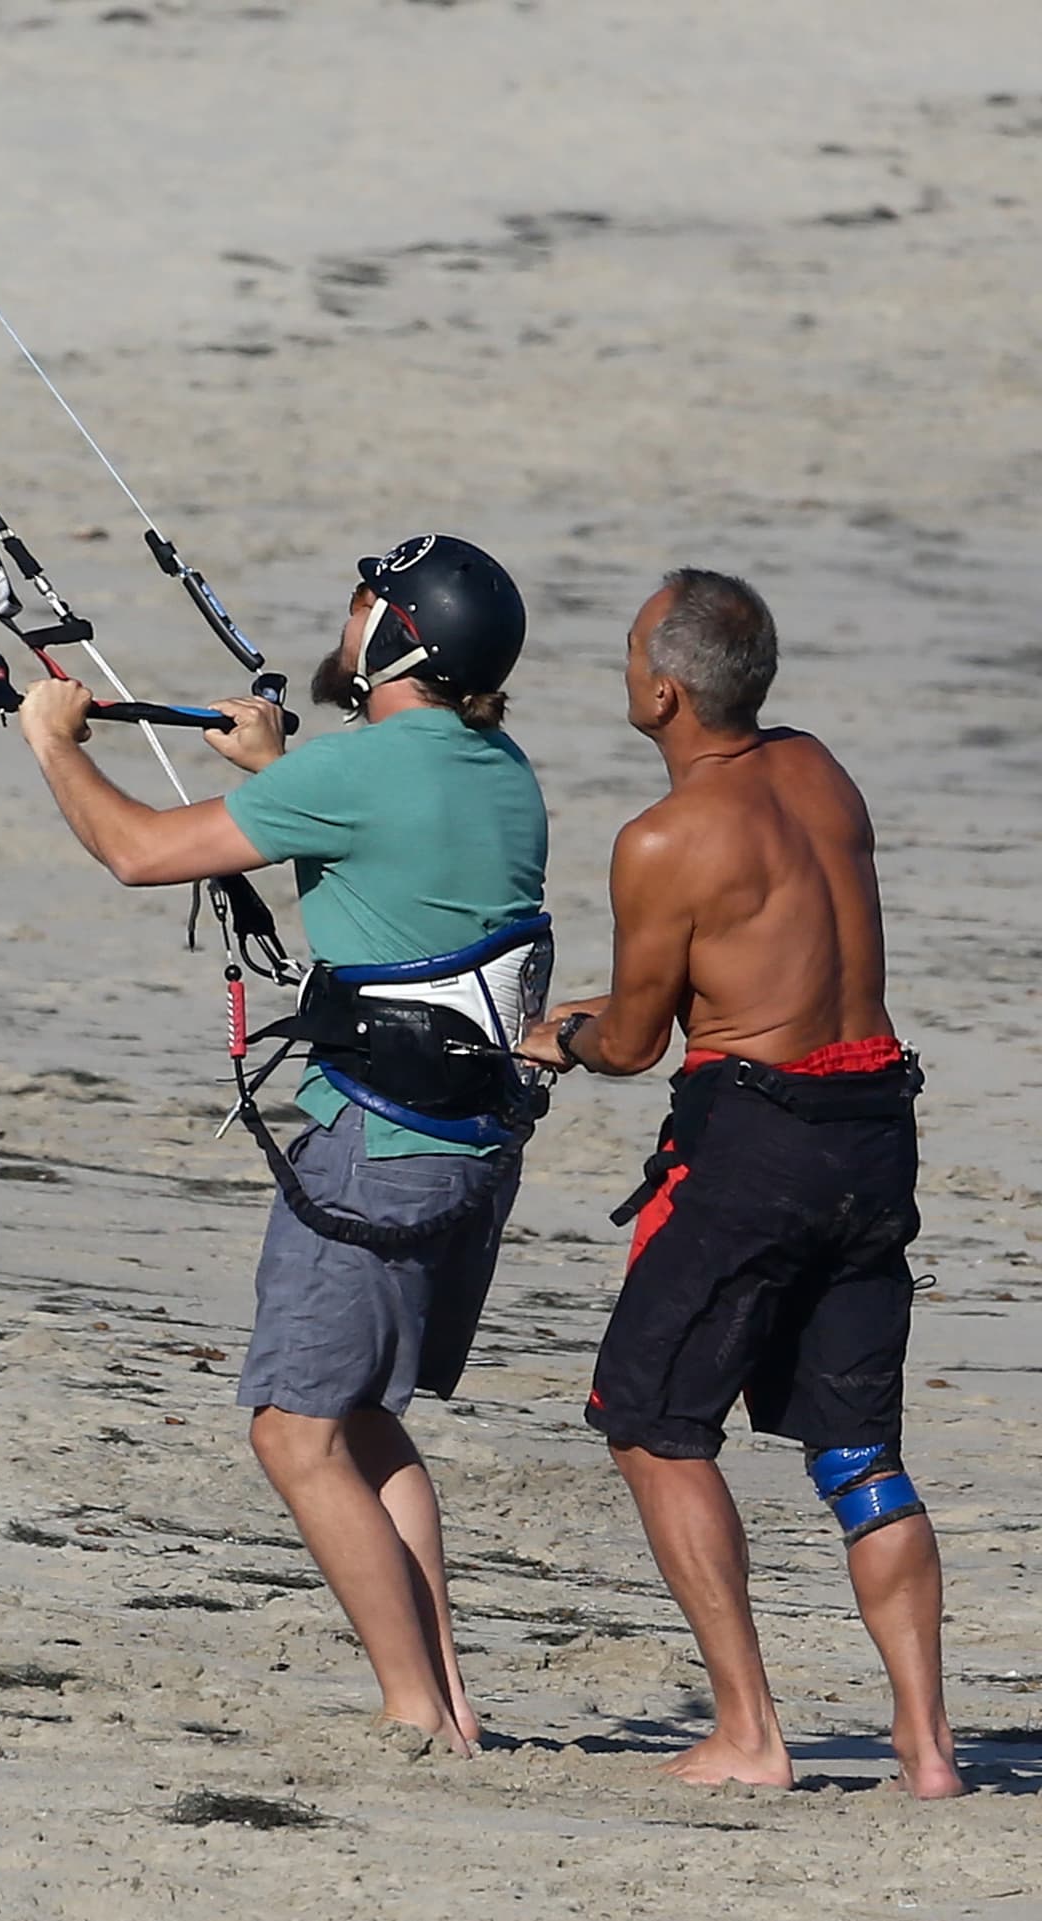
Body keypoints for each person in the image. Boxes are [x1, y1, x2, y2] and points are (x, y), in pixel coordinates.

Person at [18, 534, 549, 1757]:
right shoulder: (496, 767)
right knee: (361, 1414)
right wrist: (273, 774)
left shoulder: (362, 774)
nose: (347, 612)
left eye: (367, 601)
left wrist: (50, 740)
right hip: (465, 1151)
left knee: (291, 1429)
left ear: (398, 639)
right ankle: (448, 1694)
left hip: (378, 1148)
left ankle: (415, 1709)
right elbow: (393, 861)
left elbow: (138, 852)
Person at [519, 567, 962, 1798]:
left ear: (661, 694)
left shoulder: (662, 839)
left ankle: (748, 1731)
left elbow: (640, 1039)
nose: (619, 673)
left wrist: (562, 1037)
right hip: (873, 1130)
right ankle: (926, 1749)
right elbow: (762, 968)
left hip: (758, 1145)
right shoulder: (819, 768)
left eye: (624, 658)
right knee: (859, 1452)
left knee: (649, 1423)